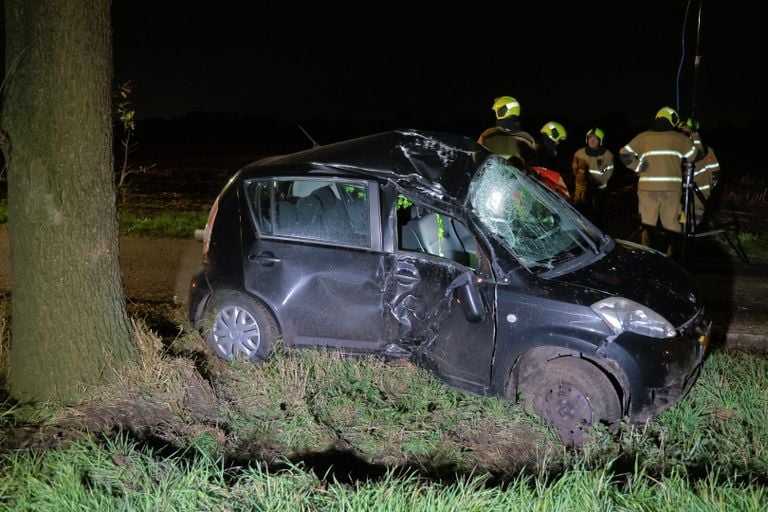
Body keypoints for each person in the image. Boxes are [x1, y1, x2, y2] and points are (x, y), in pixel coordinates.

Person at [619, 106, 697, 256]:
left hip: (647, 188)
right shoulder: (679, 138)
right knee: (672, 224)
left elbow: (624, 153)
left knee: (647, 224)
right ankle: (673, 257)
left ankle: (647, 256)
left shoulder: (643, 137)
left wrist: (637, 167)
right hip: (671, 189)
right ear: (673, 120)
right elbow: (694, 156)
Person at [680, 117, 721, 226]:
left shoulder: (704, 150)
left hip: (697, 199)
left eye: (684, 133)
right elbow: (716, 174)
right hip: (688, 198)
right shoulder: (706, 149)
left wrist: (705, 188)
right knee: (680, 227)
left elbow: (715, 173)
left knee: (687, 228)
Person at [477, 96, 536, 168]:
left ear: (502, 111)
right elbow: (533, 167)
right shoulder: (527, 137)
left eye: (497, 111)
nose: (496, 114)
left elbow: (476, 158)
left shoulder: (488, 134)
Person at [571, 127, 614, 223]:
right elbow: (575, 169)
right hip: (581, 191)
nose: (592, 141)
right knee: (579, 215)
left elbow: (608, 172)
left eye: (595, 139)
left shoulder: (607, 155)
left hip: (598, 192)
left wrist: (598, 180)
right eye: (590, 138)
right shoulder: (579, 153)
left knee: (597, 217)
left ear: (600, 141)